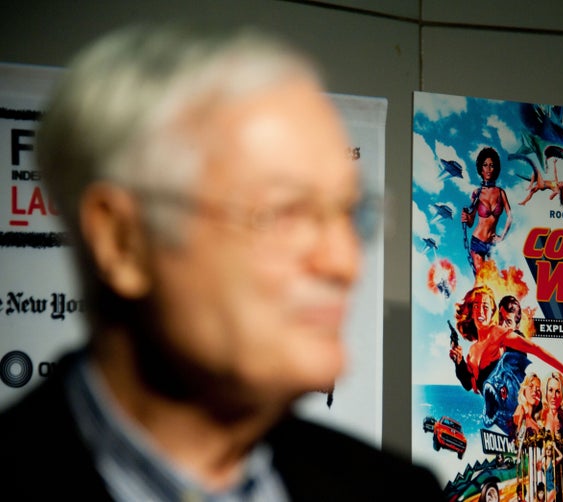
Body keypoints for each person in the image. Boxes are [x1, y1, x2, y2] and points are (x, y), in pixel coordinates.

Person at [0, 25, 444, 500]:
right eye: (286, 213)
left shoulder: (396, 492)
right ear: (123, 242)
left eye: (351, 214)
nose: (344, 262)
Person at [450, 286, 563, 394]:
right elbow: (471, 386)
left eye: (485, 306)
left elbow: (533, 348)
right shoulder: (472, 350)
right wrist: (459, 362)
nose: (480, 312)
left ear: (492, 311)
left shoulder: (499, 333)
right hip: (496, 416)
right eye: (476, 307)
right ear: (472, 312)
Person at [460, 147, 512, 273]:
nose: (488, 169)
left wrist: (502, 236)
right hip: (477, 242)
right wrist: (466, 218)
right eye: (485, 165)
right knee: (481, 280)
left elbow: (510, 215)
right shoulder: (477, 193)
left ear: (495, 169)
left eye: (491, 165)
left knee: (493, 280)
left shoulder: (500, 192)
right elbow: (471, 222)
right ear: (481, 169)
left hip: (492, 244)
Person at [541, 372, 563, 439]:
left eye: (557, 391)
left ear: (562, 394)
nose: (554, 396)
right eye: (550, 390)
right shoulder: (538, 415)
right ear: (545, 392)